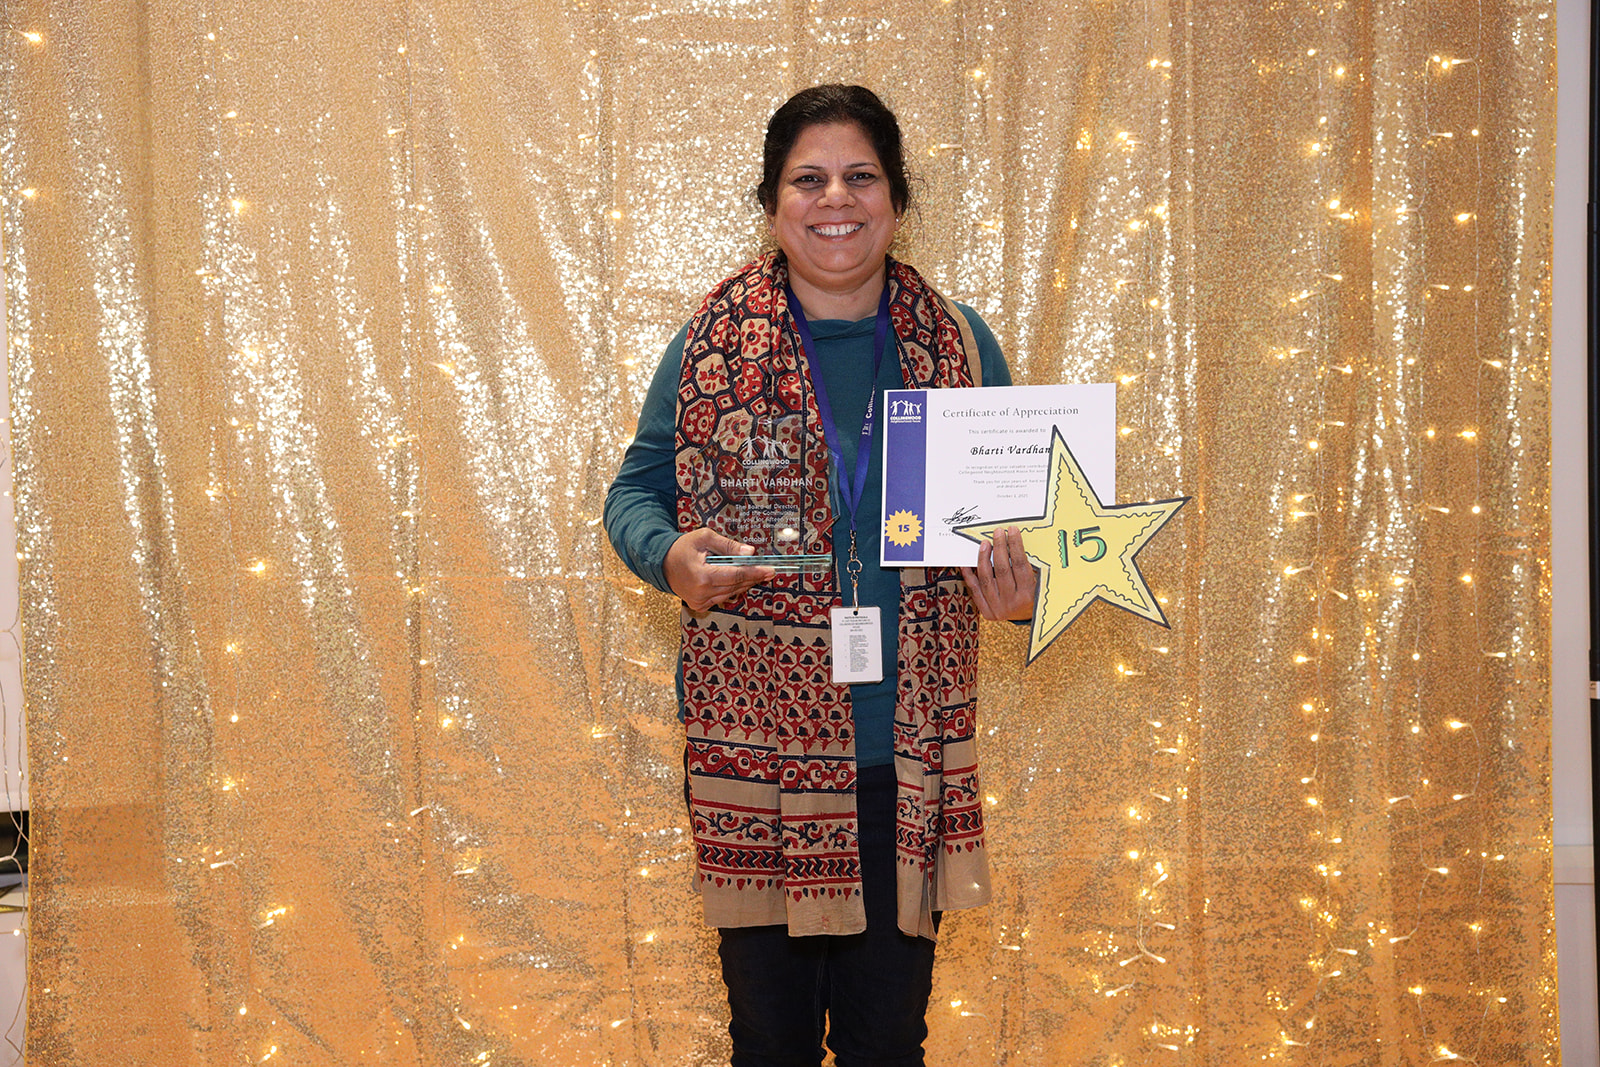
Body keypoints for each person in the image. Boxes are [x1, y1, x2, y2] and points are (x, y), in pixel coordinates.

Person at [604, 84, 1035, 1067]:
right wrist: (669, 555)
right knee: (769, 1039)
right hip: (755, 758)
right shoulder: (708, 342)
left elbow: (1020, 529)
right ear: (773, 200)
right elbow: (634, 493)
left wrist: (1026, 590)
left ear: (894, 196)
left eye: (858, 176)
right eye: (808, 178)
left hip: (905, 755)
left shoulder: (962, 347)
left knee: (890, 1040)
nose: (833, 198)